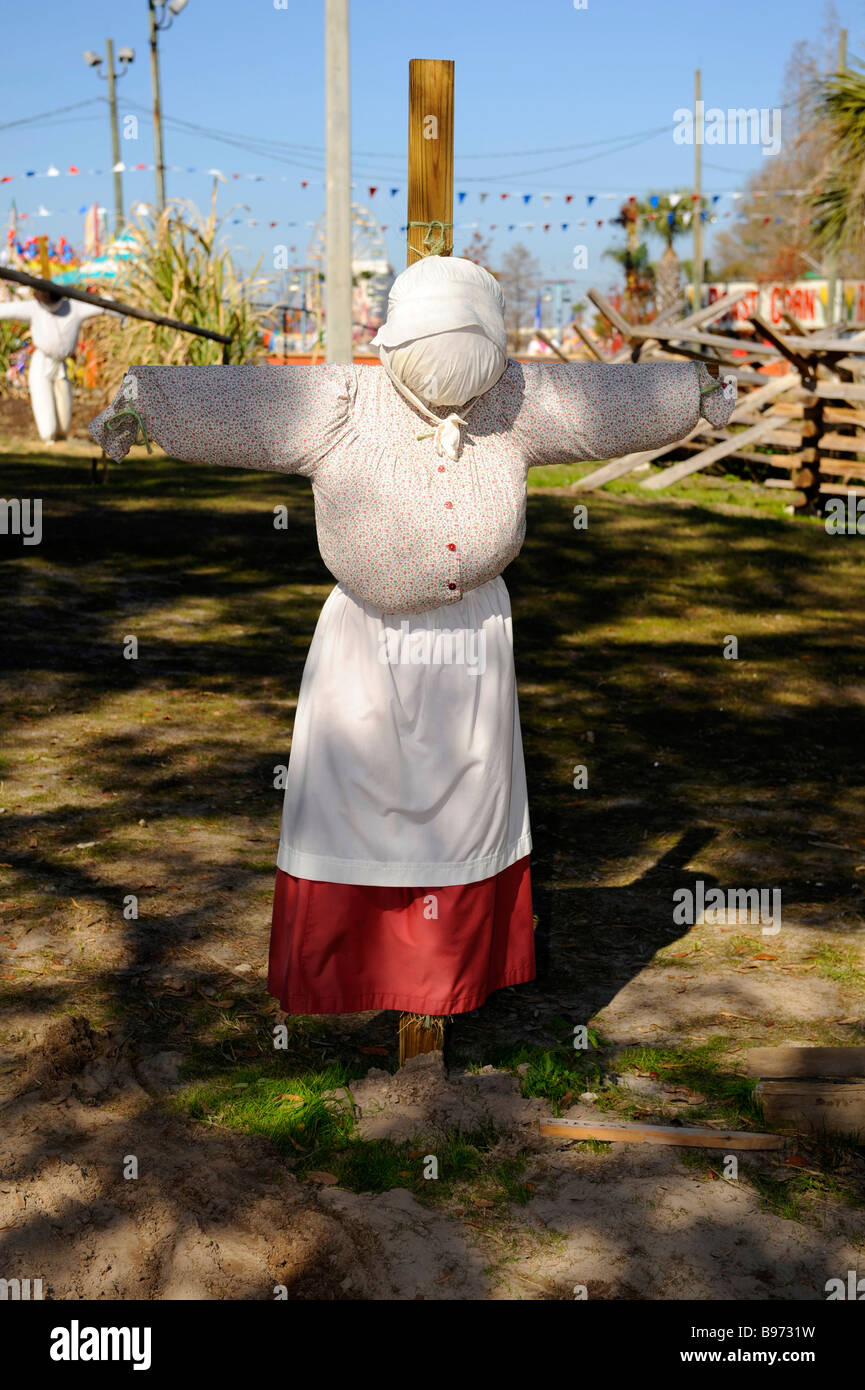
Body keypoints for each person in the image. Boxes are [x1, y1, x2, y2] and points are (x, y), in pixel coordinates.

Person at [89, 255, 735, 1021]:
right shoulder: (337, 403)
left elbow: (603, 397)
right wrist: (150, 401)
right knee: (354, 802)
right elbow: (244, 399)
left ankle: (444, 981)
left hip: (471, 645)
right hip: (365, 646)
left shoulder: (516, 401)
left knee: (466, 809)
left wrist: (686, 389)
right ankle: (358, 974)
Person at [0, 285, 106, 443]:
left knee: (64, 416)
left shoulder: (73, 307)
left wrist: (114, 303)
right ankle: (48, 438)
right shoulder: (34, 308)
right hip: (42, 362)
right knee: (44, 408)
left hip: (61, 364)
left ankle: (60, 438)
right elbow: (6, 310)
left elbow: (103, 305)